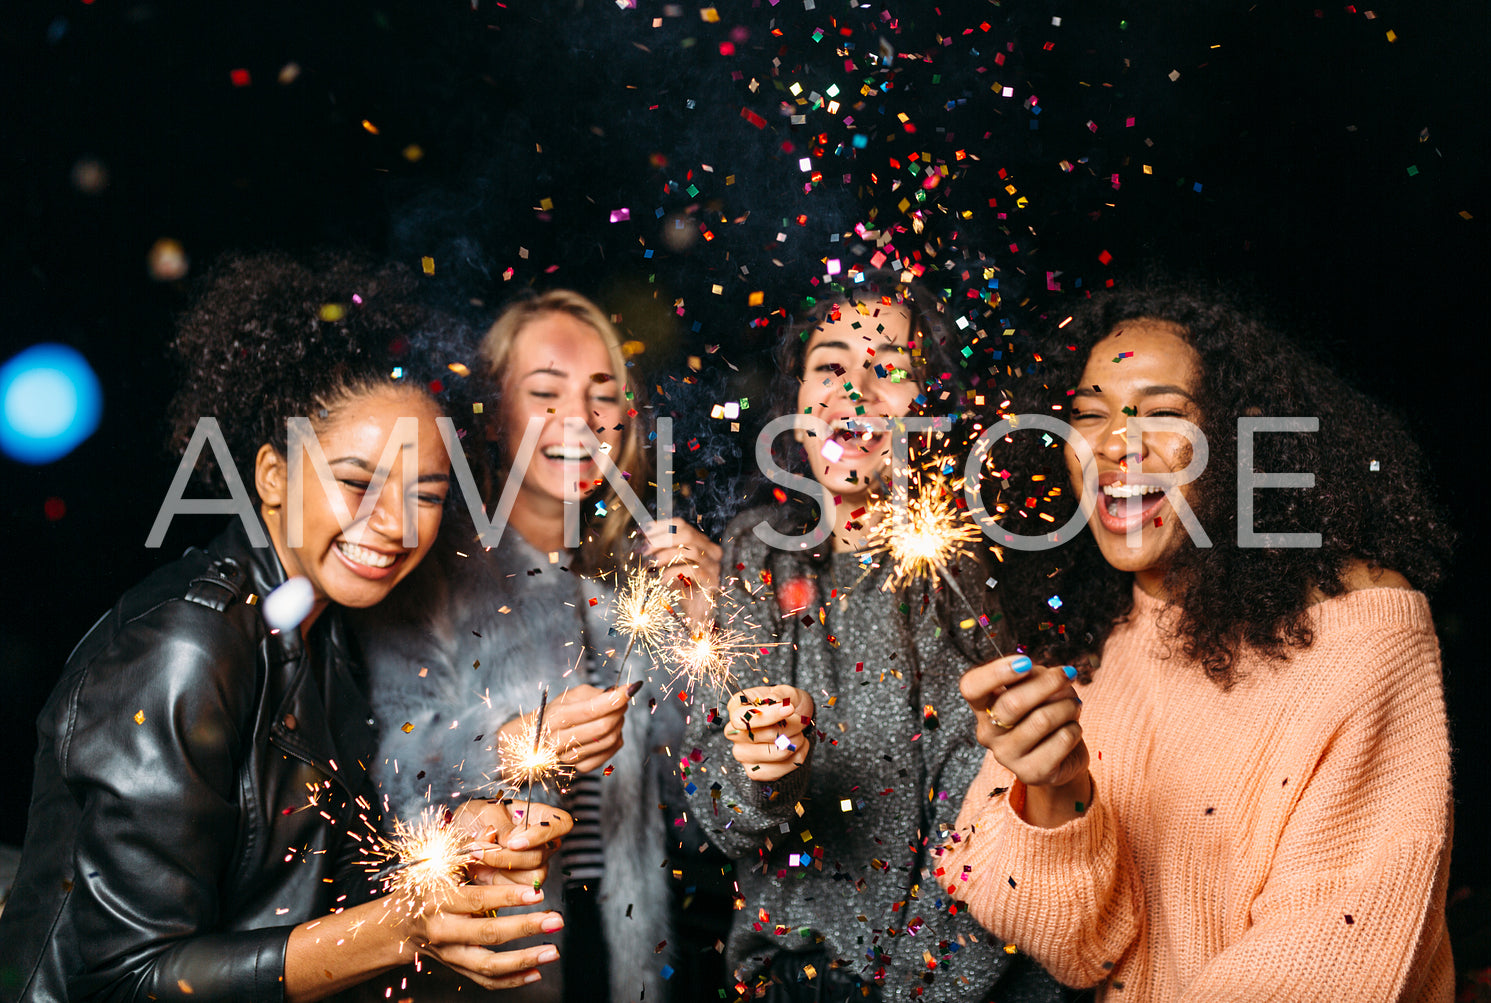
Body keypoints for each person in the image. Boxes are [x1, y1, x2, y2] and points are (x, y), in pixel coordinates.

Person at [0, 252, 572, 1003]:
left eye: (427, 494)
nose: (394, 525)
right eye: (358, 482)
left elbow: (304, 887)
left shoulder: (327, 631)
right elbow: (119, 980)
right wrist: (403, 925)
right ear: (271, 474)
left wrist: (453, 849)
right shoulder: (186, 649)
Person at [940, 280, 1454, 1000]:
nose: (1117, 444)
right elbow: (1067, 943)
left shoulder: (1363, 626)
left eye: (1162, 413)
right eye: (1088, 415)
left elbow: (1330, 953)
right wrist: (1053, 791)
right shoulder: (1077, 644)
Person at [680, 275, 1071, 1001]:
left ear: (932, 407)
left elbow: (999, 825)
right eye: (830, 366)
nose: (853, 392)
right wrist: (764, 774)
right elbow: (715, 811)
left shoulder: (990, 573)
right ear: (796, 401)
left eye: (889, 368)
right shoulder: (752, 555)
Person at [354, 288, 729, 1003]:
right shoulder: (429, 563)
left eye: (602, 394)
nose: (579, 420)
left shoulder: (637, 580)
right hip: (491, 960)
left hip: (623, 956)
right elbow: (388, 771)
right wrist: (511, 744)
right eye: (545, 391)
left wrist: (710, 635)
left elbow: (700, 812)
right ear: (495, 412)